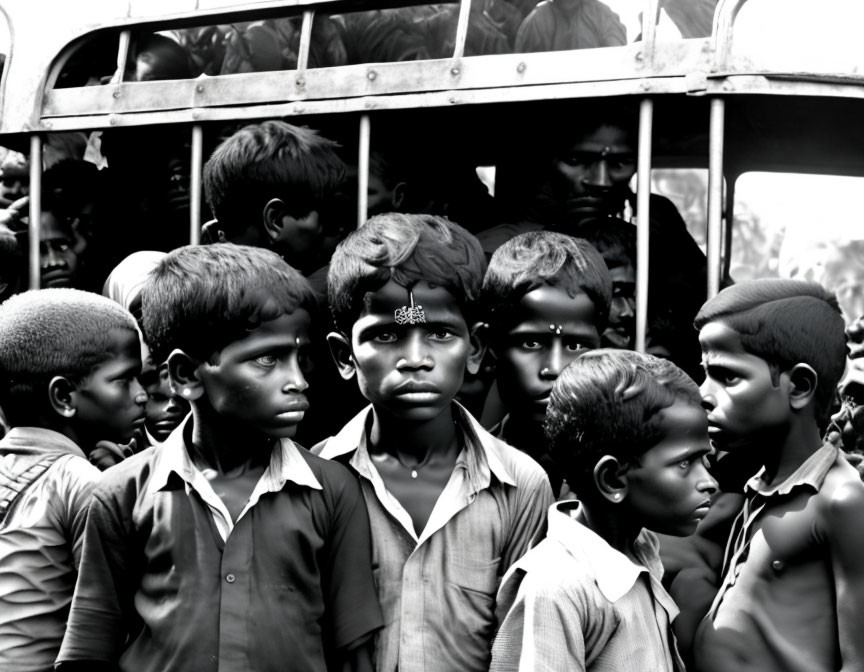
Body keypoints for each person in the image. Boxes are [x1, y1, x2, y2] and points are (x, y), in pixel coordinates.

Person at [56, 244, 383, 672]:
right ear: (187, 375)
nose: (298, 381)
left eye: (300, 358)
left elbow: (352, 655)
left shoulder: (333, 491)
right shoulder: (121, 493)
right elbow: (89, 649)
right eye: (268, 359)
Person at [316, 213, 553, 672]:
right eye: (386, 335)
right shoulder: (315, 482)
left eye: (440, 334)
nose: (415, 360)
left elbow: (522, 644)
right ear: (344, 356)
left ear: (477, 349)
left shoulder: (520, 485)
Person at [491, 349, 718, 671]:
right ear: (612, 479)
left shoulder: (639, 552)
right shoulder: (557, 587)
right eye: (685, 463)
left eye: (704, 460)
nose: (709, 482)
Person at [692, 278, 864, 672]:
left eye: (727, 377)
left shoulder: (840, 501)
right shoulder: (760, 485)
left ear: (800, 387)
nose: (704, 393)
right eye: (705, 373)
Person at [0, 288, 147, 672]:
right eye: (125, 380)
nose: (143, 395)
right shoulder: (83, 484)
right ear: (64, 395)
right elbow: (108, 620)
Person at [480, 230, 612, 494]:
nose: (553, 369)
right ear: (490, 345)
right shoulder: (463, 468)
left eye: (575, 346)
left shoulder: (624, 477)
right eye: (531, 343)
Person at [201, 120, 347, 276]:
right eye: (331, 218)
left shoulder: (198, 286)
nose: (342, 229)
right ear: (276, 220)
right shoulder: (319, 293)